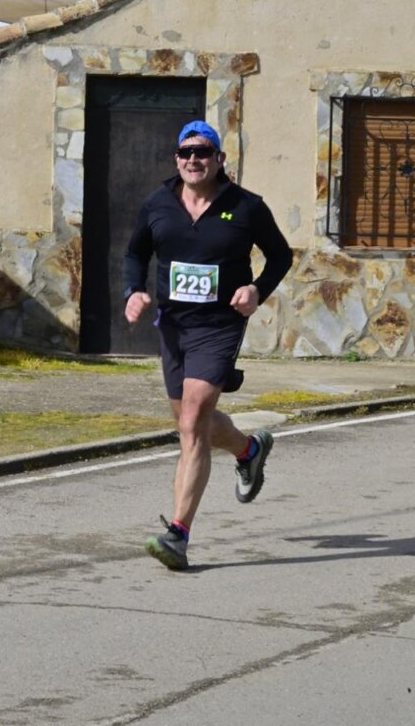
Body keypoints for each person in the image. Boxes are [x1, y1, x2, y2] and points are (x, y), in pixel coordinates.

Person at [124, 120, 292, 571]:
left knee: (194, 420)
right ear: (177, 159)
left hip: (219, 325)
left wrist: (257, 289)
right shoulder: (158, 203)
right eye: (185, 153)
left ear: (219, 159)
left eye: (202, 152)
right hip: (173, 325)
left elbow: (281, 255)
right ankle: (248, 451)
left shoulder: (246, 207)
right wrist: (133, 291)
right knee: (186, 420)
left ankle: (177, 534)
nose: (193, 160)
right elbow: (135, 252)